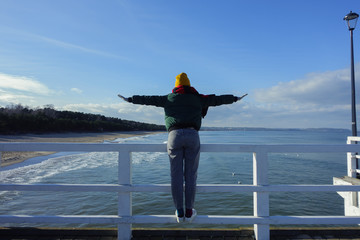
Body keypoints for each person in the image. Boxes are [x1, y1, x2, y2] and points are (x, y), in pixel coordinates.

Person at [118, 72, 246, 223]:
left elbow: (149, 99)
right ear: (189, 84)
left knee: (176, 176)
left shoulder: (168, 98)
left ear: (176, 86)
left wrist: (131, 99)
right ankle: (189, 211)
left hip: (174, 136)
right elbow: (217, 99)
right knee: (191, 176)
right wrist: (235, 98)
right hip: (192, 135)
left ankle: (179, 212)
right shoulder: (198, 98)